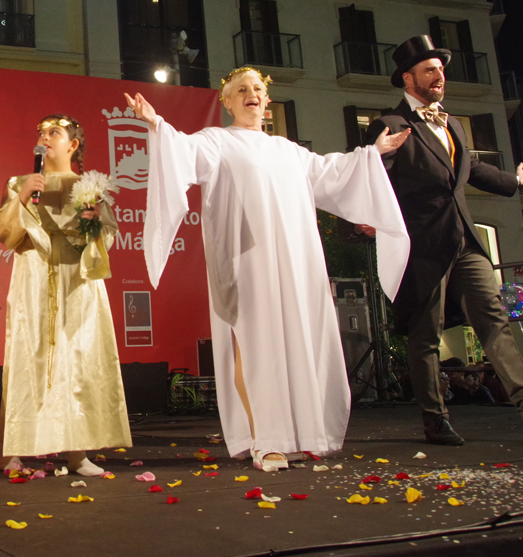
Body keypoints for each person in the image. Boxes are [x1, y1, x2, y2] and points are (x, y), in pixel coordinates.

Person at [128, 68, 410, 470]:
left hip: (294, 262)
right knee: (253, 342)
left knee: (293, 341)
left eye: (257, 88)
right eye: (241, 89)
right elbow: (181, 151)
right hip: (244, 260)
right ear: (227, 101)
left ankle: (298, 433)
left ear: (267, 100)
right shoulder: (216, 140)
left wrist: (372, 153)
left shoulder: (288, 151)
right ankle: (264, 438)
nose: (252, 94)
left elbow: (331, 172)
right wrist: (156, 123)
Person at [364, 36, 523, 444]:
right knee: (425, 335)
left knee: (493, 320)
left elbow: (469, 167)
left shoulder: (451, 123)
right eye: (429, 70)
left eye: (440, 69)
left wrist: (514, 182)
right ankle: (434, 418)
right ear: (408, 78)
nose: (439, 76)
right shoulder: (392, 125)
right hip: (422, 246)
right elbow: (372, 175)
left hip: (465, 240)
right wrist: (367, 219)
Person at [0, 115, 131, 478]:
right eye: (41, 132)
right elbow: (3, 232)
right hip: (34, 278)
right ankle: (13, 452)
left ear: (73, 145)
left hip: (77, 281)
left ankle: (78, 453)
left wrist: (93, 222)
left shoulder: (88, 187)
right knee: (28, 356)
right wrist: (23, 197)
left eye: (54, 132)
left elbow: (107, 236)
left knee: (77, 361)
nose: (45, 137)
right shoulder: (19, 183)